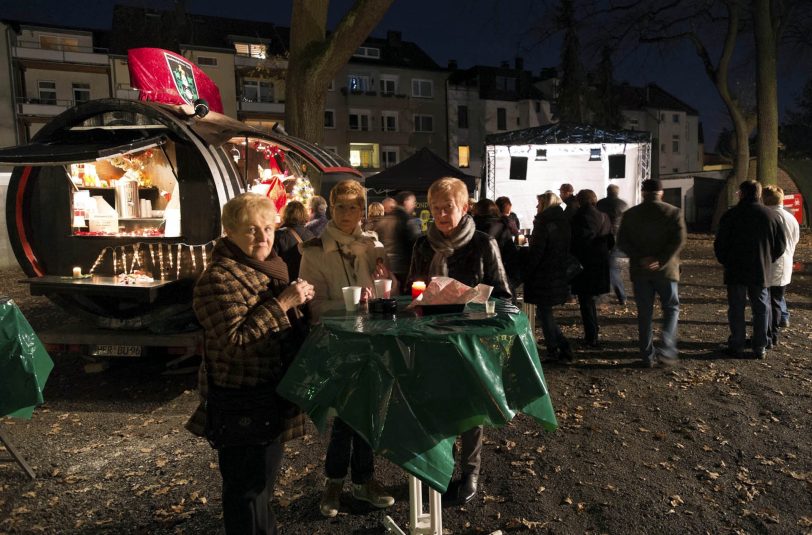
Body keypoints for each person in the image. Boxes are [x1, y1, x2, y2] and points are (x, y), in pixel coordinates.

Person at [189, 193, 314, 535]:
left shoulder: (267, 266)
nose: (263, 237)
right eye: (251, 230)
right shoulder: (218, 278)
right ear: (228, 231)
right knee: (246, 493)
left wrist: (297, 303)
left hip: (269, 394)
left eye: (268, 228)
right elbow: (235, 342)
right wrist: (284, 302)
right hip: (241, 401)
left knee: (261, 487)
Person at [406, 177, 512, 507]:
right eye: (435, 208)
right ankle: (440, 467)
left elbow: (505, 296)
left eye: (447, 207)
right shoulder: (423, 245)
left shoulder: (482, 244)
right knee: (435, 405)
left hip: (470, 341)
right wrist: (420, 299)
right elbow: (411, 288)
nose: (440, 213)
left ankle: (470, 473)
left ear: (464, 208)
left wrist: (473, 300)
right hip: (433, 340)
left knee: (470, 409)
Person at [299, 179, 397, 517]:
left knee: (369, 412)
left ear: (362, 210)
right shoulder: (314, 251)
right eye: (340, 206)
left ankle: (362, 481)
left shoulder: (372, 246)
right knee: (343, 417)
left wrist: (389, 281)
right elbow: (312, 307)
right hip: (337, 343)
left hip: (372, 341)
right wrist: (350, 304)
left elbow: (387, 295)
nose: (347, 213)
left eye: (354, 206)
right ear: (331, 208)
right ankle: (336, 483)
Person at [617, 180, 687, 367]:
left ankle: (647, 355)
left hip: (640, 271)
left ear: (643, 192)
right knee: (671, 309)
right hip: (666, 271)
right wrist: (661, 260)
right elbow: (679, 240)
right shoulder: (673, 212)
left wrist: (641, 258)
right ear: (661, 193)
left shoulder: (631, 214)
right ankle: (666, 348)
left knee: (644, 313)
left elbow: (622, 241)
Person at [714, 180, 786, 359]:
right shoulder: (771, 216)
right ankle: (760, 346)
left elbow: (720, 243)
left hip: (736, 269)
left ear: (742, 193)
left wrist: (726, 261)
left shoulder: (731, 215)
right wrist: (768, 259)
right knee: (761, 308)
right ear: (759, 194)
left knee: (737, 307)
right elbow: (780, 245)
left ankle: (737, 343)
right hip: (761, 269)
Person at [522, 191, 574, 361]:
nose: (536, 207)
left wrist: (526, 271)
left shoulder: (543, 223)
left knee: (545, 314)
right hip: (557, 272)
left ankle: (556, 349)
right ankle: (562, 347)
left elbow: (537, 252)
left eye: (538, 204)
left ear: (544, 204)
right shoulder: (562, 221)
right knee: (546, 313)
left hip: (544, 274)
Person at [570, 189, 613, 347]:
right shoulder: (604, 216)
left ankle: (591, 337)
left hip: (584, 266)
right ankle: (593, 333)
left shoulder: (578, 217)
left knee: (586, 303)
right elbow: (611, 242)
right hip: (600, 264)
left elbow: (575, 242)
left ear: (580, 201)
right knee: (590, 303)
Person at [762, 185, 800, 346]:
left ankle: (768, 335)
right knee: (776, 301)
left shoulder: (768, 217)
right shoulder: (790, 217)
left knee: (767, 302)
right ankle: (773, 334)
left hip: (771, 264)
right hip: (785, 264)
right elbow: (796, 239)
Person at [473, 198, 519, 289]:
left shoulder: (471, 227)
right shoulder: (502, 226)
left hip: (476, 276)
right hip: (498, 272)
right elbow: (511, 254)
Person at [596, 184, 629, 305]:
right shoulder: (623, 205)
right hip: (616, 237)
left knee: (609, 267)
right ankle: (620, 296)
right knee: (611, 267)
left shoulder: (600, 204)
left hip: (602, 236)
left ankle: (606, 295)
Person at [384, 191, 423, 290]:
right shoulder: (407, 220)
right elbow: (416, 244)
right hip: (404, 268)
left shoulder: (388, 218)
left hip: (389, 267)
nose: (414, 205)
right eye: (413, 202)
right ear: (406, 202)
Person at [274, 200, 314, 280]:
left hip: (286, 281)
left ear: (285, 214)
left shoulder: (278, 235)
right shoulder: (310, 234)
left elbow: (273, 262)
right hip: (305, 280)